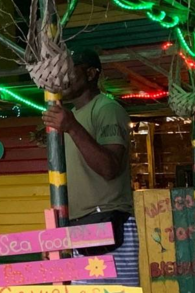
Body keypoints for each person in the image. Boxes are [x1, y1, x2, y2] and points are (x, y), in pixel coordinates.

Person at [41, 48, 139, 286]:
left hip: (107, 222)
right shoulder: (69, 117)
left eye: (70, 70)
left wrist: (72, 127)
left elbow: (110, 168)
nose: (63, 77)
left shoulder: (106, 109)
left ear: (91, 74)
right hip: (77, 227)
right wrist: (57, 235)